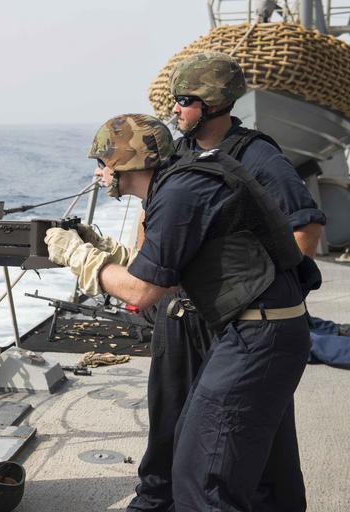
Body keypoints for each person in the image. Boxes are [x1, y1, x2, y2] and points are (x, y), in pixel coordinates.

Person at [45, 113, 318, 510]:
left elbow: (141, 291)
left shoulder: (178, 194)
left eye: (103, 162)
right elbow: (168, 272)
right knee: (246, 473)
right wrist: (102, 249)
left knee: (204, 479)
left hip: (257, 335)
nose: (99, 173)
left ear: (127, 162)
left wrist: (77, 255)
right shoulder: (184, 181)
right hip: (262, 329)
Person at [121, 52, 327, 512]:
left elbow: (306, 227)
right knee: (170, 420)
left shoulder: (258, 156)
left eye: (184, 100)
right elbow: (156, 218)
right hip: (181, 313)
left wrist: (270, 291)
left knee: (242, 434)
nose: (174, 109)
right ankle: (156, 501)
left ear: (213, 104)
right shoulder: (179, 154)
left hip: (237, 318)